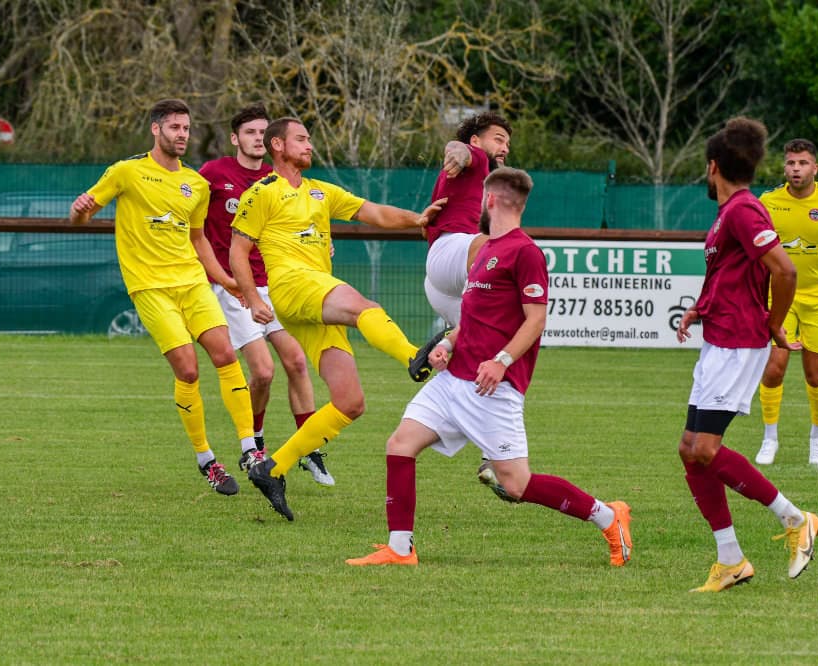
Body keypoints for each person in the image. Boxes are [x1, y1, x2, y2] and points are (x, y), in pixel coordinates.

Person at [345, 166, 633, 567]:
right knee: (400, 444)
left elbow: (536, 319)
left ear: (490, 200)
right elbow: (473, 319)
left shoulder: (525, 252)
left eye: (481, 198)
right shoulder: (483, 250)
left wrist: (501, 361)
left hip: (492, 388)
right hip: (453, 380)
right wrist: (445, 344)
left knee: (516, 483)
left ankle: (608, 516)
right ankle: (400, 548)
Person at [229, 117, 447, 520]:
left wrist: (417, 219)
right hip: (293, 286)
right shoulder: (262, 192)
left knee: (350, 402)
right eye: (301, 139)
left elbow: (372, 212)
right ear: (277, 145)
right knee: (365, 307)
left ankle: (271, 468)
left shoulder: (321, 191)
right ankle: (412, 356)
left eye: (309, 139)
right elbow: (237, 251)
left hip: (314, 293)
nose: (309, 145)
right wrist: (251, 298)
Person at [70, 98, 257, 496]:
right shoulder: (126, 171)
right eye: (174, 127)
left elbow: (199, 240)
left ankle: (249, 449)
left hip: (192, 282)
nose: (182, 134)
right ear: (156, 129)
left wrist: (225, 280)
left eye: (186, 128)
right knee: (188, 370)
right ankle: (207, 459)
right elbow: (82, 216)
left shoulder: (196, 184)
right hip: (150, 287)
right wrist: (80, 210)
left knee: (226, 354)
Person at [675, 117, 818, 592]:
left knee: (704, 449)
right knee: (690, 451)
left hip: (739, 342)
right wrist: (701, 306)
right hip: (720, 338)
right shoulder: (731, 213)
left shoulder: (743, 210)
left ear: (713, 166)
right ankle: (731, 560)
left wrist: (774, 324)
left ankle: (796, 518)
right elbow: (731, 274)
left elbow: (784, 271)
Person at [199, 104, 333, 486]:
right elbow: (189, 218)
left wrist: (322, 242)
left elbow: (305, 221)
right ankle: (254, 442)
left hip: (275, 285)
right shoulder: (214, 174)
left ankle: (308, 447)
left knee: (297, 362)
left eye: (263, 132)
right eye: (250, 132)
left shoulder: (280, 181)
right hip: (235, 288)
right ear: (235, 138)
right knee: (263, 370)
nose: (258, 138)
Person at [756, 139, 818, 465]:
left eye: (803, 163)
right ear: (784, 167)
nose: (796, 169)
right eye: (791, 163)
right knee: (773, 369)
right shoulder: (768, 202)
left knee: (815, 375)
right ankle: (769, 438)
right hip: (779, 297)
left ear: (814, 168)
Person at [423, 111, 512, 328]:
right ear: (475, 141)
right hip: (452, 254)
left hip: (441, 281)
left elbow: (427, 230)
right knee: (510, 247)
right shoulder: (479, 159)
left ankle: (444, 347)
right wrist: (457, 152)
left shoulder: (475, 182)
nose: (505, 148)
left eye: (508, 144)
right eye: (499, 140)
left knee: (487, 337)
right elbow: (458, 148)